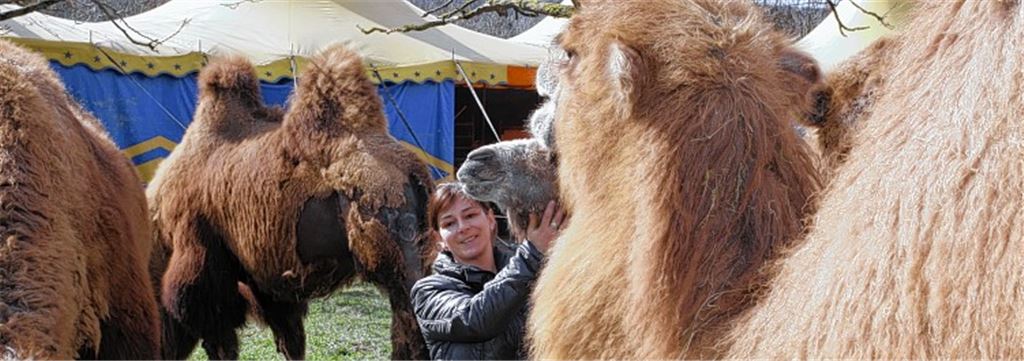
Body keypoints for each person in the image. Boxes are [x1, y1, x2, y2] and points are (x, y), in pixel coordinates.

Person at [411, 182, 565, 360]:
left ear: (491, 219)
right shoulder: (428, 292)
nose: (462, 227)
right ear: (439, 238)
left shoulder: (533, 272)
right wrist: (531, 256)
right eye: (449, 223)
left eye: (470, 215)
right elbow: (474, 320)